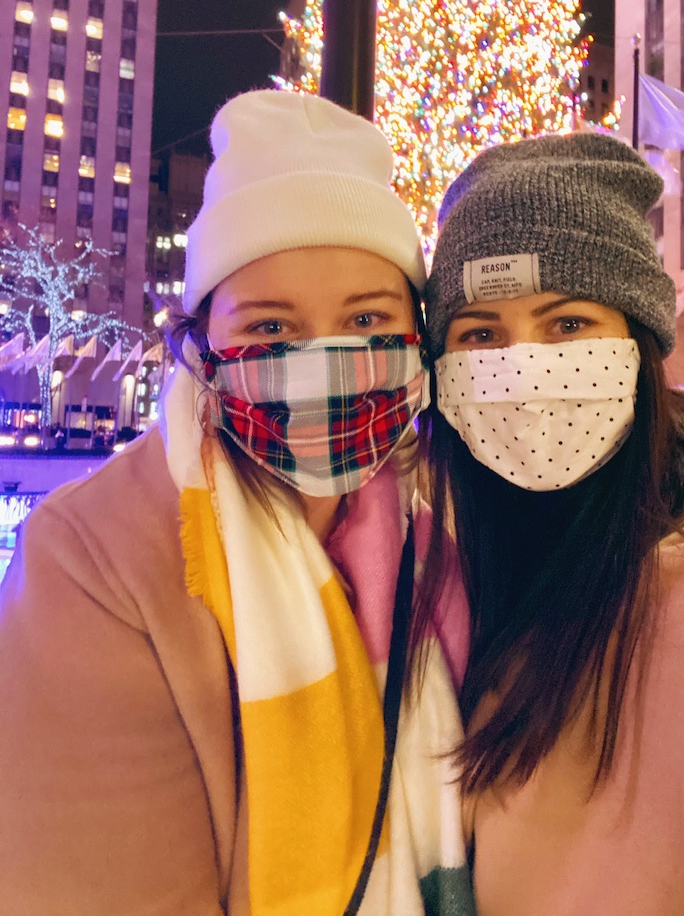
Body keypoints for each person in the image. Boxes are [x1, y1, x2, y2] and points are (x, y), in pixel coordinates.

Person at [0, 91, 473, 915]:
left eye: (368, 318)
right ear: (204, 347)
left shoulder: (458, 520)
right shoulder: (90, 561)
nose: (326, 359)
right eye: (270, 331)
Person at [420, 132, 684, 915]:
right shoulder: (441, 562)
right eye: (481, 334)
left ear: (641, 347)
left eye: (567, 326)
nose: (521, 366)